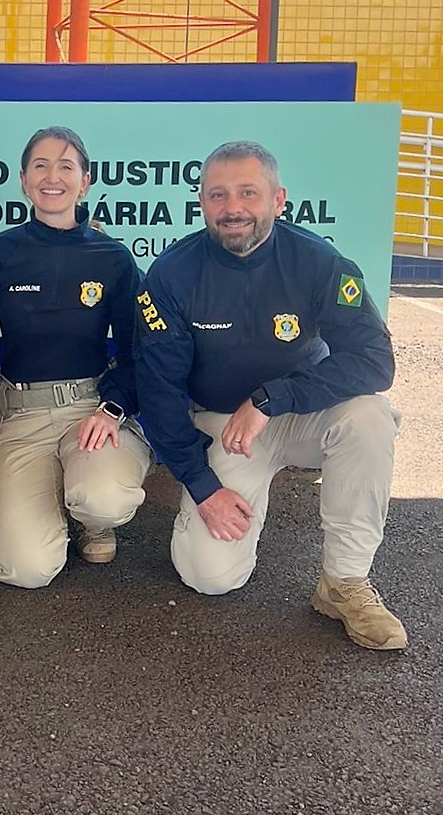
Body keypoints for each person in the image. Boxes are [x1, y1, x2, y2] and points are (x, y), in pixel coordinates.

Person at [134, 139, 406, 650]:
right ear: (201, 202)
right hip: (224, 426)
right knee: (209, 578)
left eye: (247, 193)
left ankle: (343, 583)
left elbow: (374, 361)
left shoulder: (320, 262)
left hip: (300, 412)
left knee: (370, 416)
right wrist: (203, 487)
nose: (233, 208)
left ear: (278, 201)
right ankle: (211, 516)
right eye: (218, 195)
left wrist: (271, 398)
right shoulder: (172, 274)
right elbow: (160, 390)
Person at [0, 126, 152, 588]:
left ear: (85, 181)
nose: (53, 177)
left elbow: (138, 350)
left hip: (91, 410)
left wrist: (114, 407)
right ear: (24, 180)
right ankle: (52, 505)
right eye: (41, 166)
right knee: (28, 570)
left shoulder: (113, 257)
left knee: (103, 497)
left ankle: (93, 518)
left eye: (67, 166)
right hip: (20, 416)